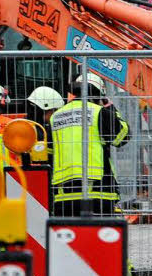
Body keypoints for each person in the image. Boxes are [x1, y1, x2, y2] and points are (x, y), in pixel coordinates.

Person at [49, 72, 130, 217]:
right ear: (100, 95)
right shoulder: (99, 112)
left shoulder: (56, 116)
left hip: (63, 193)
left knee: (70, 237)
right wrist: (111, 109)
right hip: (97, 191)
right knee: (97, 237)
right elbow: (122, 137)